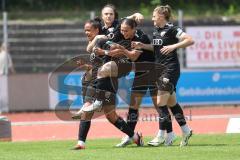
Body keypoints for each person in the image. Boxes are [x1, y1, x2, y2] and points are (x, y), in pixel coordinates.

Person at [73, 4, 144, 149]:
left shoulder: (120, 26)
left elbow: (129, 19)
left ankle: (133, 136)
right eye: (106, 14)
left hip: (113, 72)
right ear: (102, 15)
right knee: (102, 114)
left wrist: (136, 14)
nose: (108, 16)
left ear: (115, 15)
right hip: (102, 75)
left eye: (111, 14)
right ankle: (81, 143)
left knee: (106, 114)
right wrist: (98, 37)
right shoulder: (99, 29)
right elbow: (89, 48)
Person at [132, 5, 194, 147]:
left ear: (161, 16)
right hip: (159, 70)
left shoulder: (173, 29)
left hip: (170, 69)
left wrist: (173, 47)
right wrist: (142, 45)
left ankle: (168, 134)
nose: (152, 17)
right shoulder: (156, 31)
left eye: (154, 15)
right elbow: (156, 48)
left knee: (160, 102)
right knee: (172, 103)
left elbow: (190, 40)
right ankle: (186, 130)